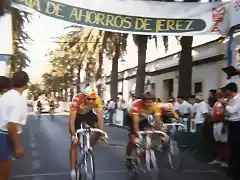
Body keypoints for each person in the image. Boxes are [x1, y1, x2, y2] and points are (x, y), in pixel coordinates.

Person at [68, 86, 105, 180]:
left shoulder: (98, 100)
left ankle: (88, 147)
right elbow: (71, 121)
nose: (92, 101)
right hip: (77, 115)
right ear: (84, 97)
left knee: (98, 130)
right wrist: (73, 135)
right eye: (89, 99)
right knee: (74, 143)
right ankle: (73, 170)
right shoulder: (77, 99)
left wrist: (102, 133)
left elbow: (100, 118)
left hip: (88, 114)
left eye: (93, 99)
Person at [0, 71, 29, 180]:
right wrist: (18, 146)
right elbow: (11, 126)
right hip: (4, 138)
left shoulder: (5, 96)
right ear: (26, 84)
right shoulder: (18, 99)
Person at [125, 91, 162, 170]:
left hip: (144, 117)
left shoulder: (155, 106)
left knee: (149, 132)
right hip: (131, 118)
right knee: (134, 139)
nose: (149, 104)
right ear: (143, 101)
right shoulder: (137, 105)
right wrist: (137, 134)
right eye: (147, 102)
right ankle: (128, 157)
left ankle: (145, 150)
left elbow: (158, 121)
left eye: (150, 102)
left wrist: (159, 132)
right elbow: (135, 123)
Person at [222, 82, 240, 179]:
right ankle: (232, 170)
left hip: (237, 124)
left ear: (230, 90)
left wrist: (225, 105)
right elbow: (228, 113)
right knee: (232, 147)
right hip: (232, 124)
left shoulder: (238, 98)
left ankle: (236, 172)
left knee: (236, 148)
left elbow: (232, 111)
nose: (225, 93)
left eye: (226, 90)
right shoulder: (232, 99)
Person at [210, 88, 228, 167]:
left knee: (223, 142)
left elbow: (227, 111)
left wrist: (224, 103)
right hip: (215, 124)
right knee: (217, 142)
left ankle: (225, 160)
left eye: (219, 93)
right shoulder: (216, 103)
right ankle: (218, 158)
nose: (218, 94)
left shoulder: (225, 101)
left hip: (221, 124)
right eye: (217, 93)